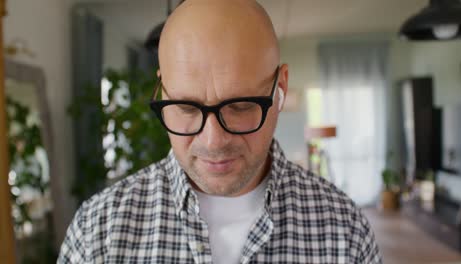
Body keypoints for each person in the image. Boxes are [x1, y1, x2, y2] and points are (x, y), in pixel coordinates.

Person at [58, 0, 382, 263]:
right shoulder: (98, 232)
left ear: (279, 88)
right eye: (186, 107)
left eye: (240, 106)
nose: (213, 141)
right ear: (163, 89)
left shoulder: (344, 230)